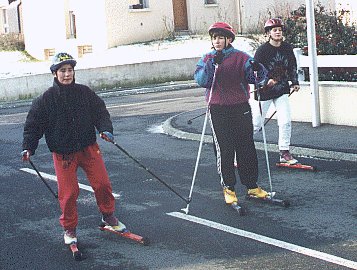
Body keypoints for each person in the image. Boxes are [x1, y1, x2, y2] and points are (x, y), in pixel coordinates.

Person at [21, 52, 126, 245]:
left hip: (88, 148)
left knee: (102, 184)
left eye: (70, 70)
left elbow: (100, 112)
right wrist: (28, 147)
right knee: (69, 193)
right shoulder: (45, 100)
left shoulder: (84, 93)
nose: (67, 74)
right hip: (64, 154)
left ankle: (108, 216)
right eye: (63, 71)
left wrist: (105, 129)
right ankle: (69, 229)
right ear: (55, 73)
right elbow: (33, 126)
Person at [194, 22, 270, 205]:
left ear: (229, 39)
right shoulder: (207, 58)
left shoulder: (241, 57)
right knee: (224, 148)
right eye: (214, 38)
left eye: (220, 37)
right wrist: (212, 66)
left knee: (246, 146)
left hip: (240, 106)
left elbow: (256, 78)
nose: (217, 41)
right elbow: (202, 81)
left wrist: (258, 70)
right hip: (218, 108)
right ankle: (229, 187)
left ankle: (251, 185)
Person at [252, 18, 300, 164]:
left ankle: (284, 152)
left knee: (285, 120)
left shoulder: (287, 48)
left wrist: (295, 82)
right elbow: (254, 71)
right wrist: (265, 81)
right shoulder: (262, 51)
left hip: (282, 89)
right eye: (274, 30)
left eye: (280, 29)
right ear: (268, 33)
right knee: (256, 123)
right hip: (265, 91)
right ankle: (240, 150)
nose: (278, 32)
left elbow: (292, 65)